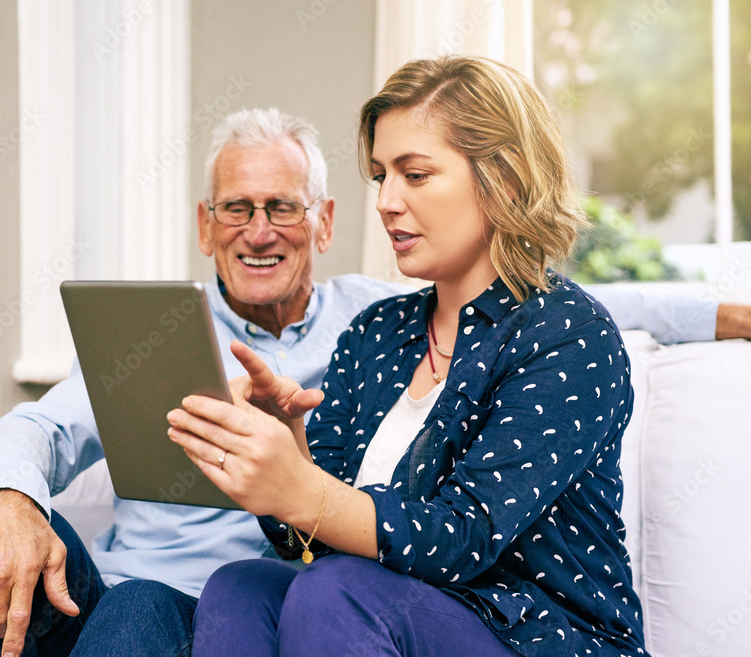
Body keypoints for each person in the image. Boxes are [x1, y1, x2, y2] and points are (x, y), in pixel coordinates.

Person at [0, 106, 749, 657]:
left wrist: (722, 310)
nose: (258, 232)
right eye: (236, 210)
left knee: (165, 606)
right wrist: (5, 500)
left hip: (224, 605)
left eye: (282, 207)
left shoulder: (381, 316)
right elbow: (38, 430)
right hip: (154, 592)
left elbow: (559, 301)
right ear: (205, 228)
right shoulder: (160, 332)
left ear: (323, 221)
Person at [167, 57, 648, 656]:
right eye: (379, 177)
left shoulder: (568, 335)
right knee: (241, 585)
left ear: (502, 181)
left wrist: (298, 489)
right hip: (386, 609)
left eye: (414, 175)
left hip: (537, 635)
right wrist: (285, 441)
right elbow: (312, 538)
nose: (387, 201)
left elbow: (462, 535)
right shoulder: (378, 331)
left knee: (337, 589)